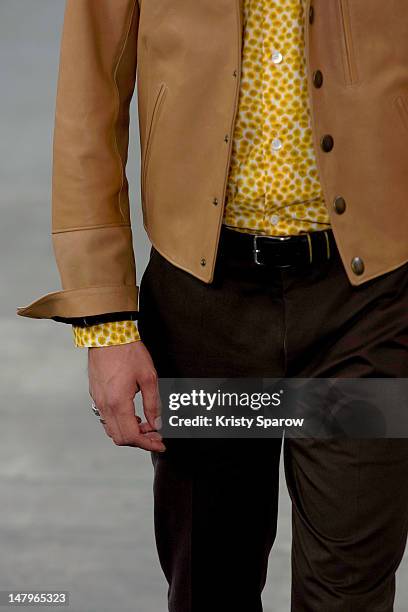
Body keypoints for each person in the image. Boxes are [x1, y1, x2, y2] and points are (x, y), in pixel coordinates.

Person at [17, 1, 408, 610]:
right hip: (206, 309)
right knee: (210, 582)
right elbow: (90, 97)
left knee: (350, 592)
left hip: (366, 309)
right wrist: (105, 322)